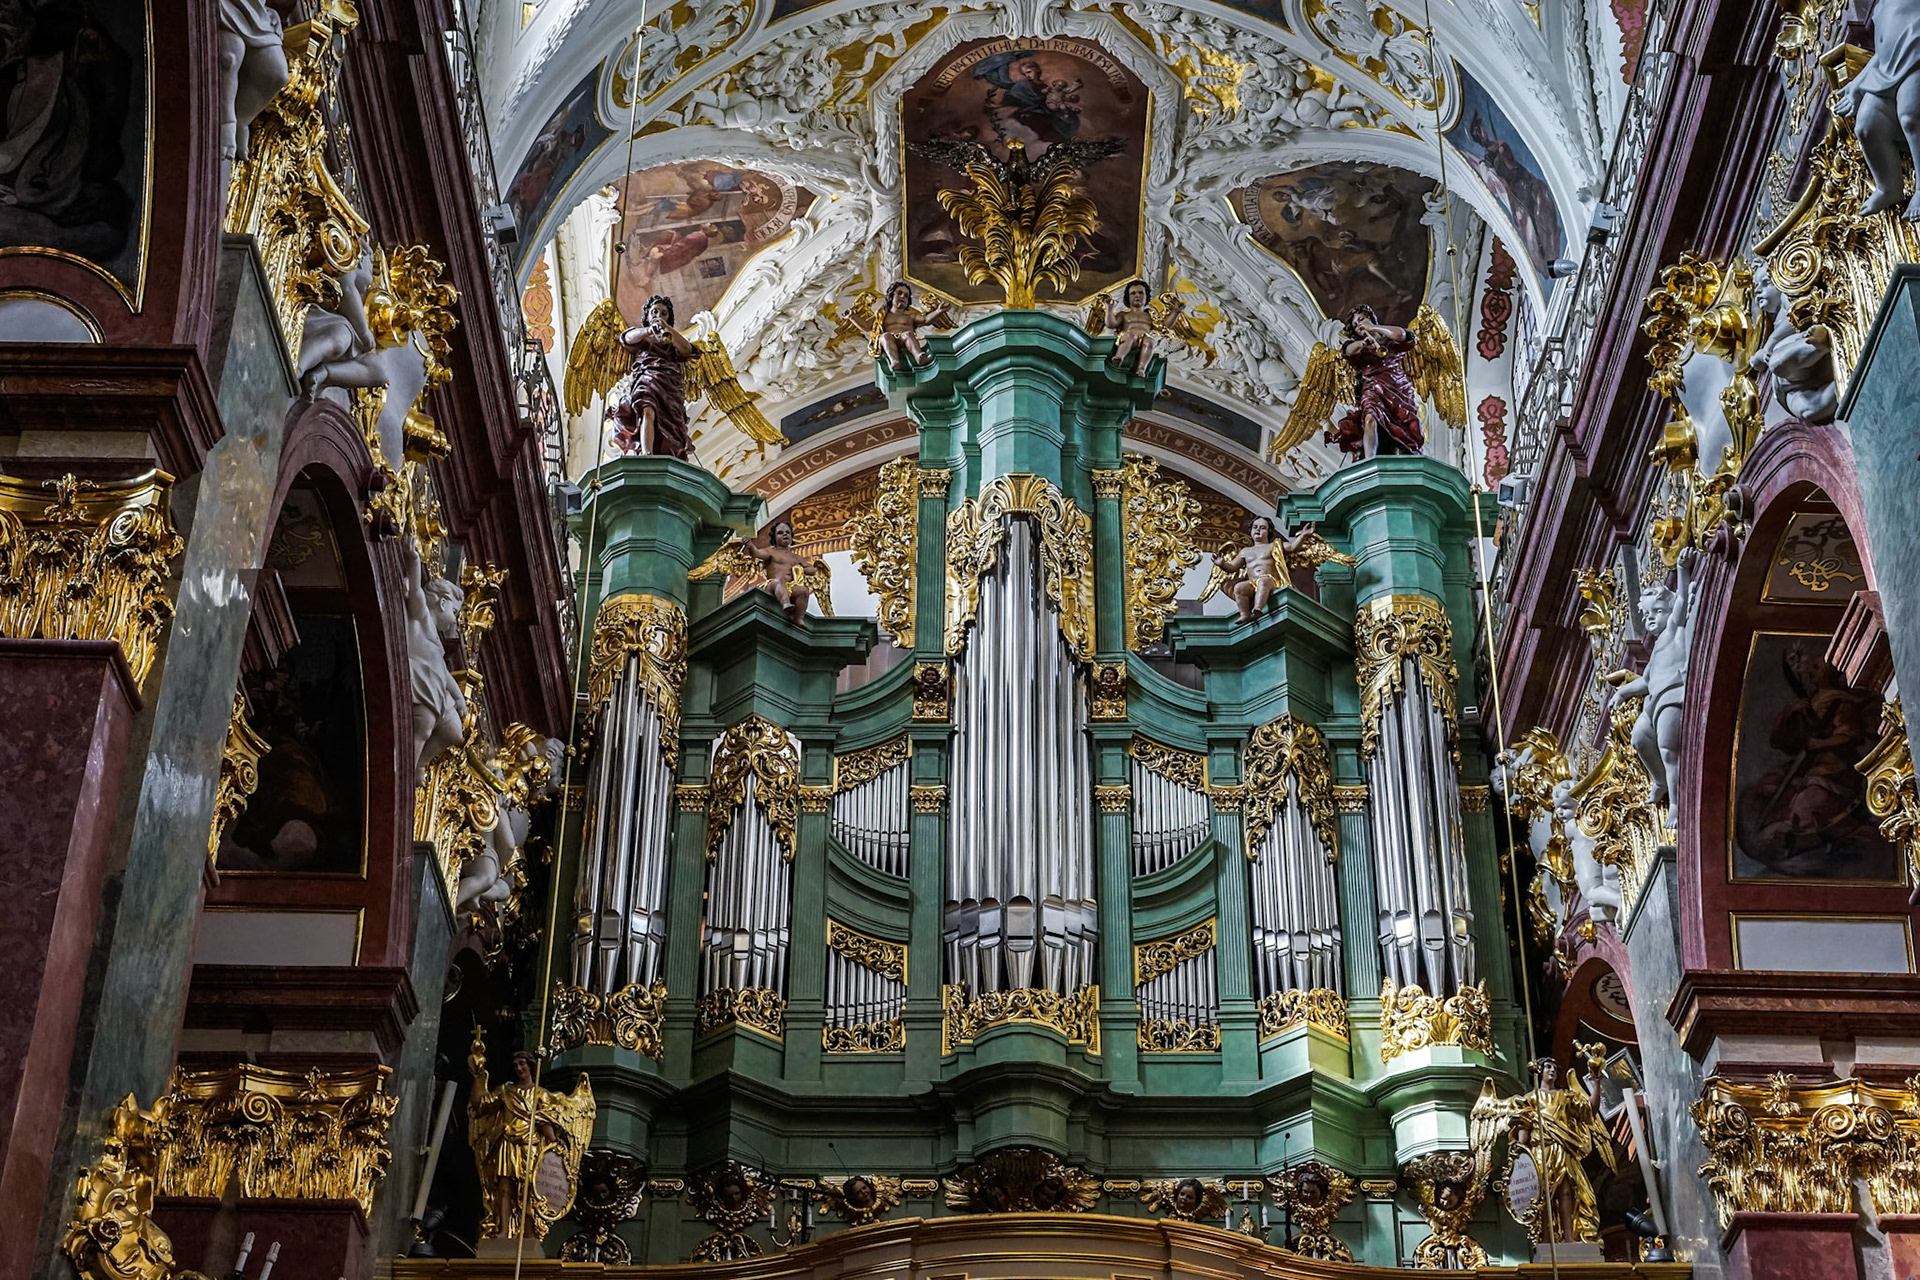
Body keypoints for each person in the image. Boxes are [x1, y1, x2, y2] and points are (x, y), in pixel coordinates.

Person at [1326, 305, 1423, 458]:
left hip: (1398, 387)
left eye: (1361, 320)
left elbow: (1401, 334)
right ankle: (1370, 460)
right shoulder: (1359, 349)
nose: (1359, 325)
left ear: (1370, 318)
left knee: (1405, 425)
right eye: (1355, 325)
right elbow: (1347, 351)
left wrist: (1372, 327)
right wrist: (1363, 344)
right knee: (1370, 419)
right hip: (1372, 389)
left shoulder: (1390, 341)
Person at [613, 294, 694, 458]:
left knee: (671, 420)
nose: (659, 315)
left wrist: (668, 329)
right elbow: (627, 338)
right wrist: (649, 330)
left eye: (664, 313)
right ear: (647, 316)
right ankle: (646, 454)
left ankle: (669, 452)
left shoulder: (671, 340)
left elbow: (687, 349)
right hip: (647, 377)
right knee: (647, 409)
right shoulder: (642, 336)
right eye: (654, 312)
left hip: (669, 382)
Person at [1211, 516, 1336, 623]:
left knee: (1263, 582)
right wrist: (1222, 564)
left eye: (1262, 528)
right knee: (1239, 587)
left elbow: (1292, 547)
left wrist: (1303, 535)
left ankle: (1258, 608)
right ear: (1250, 531)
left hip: (1271, 581)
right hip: (1252, 582)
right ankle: (1244, 614)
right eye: (1255, 527)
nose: (1258, 530)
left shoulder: (1274, 546)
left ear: (1269, 532)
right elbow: (1232, 567)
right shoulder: (1245, 551)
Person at [746, 520, 827, 627]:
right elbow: (757, 553)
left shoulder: (796, 557)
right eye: (780, 533)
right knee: (778, 581)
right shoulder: (770, 552)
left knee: (803, 591)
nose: (785, 534)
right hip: (772, 585)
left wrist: (800, 569)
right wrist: (750, 545)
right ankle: (785, 603)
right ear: (774, 537)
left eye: (787, 532)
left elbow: (812, 570)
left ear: (791, 537)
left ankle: (798, 618)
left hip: (789, 587)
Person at [874, 280, 951, 369]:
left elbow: (926, 320)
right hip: (890, 339)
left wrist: (938, 311)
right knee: (885, 336)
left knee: (908, 334)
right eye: (899, 293)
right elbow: (866, 325)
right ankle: (894, 360)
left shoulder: (910, 317)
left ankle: (918, 355)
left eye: (906, 296)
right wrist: (857, 317)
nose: (903, 296)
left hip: (904, 340)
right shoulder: (882, 316)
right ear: (891, 296)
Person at [1105, 279, 1160, 375]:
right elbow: (1111, 324)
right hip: (1129, 338)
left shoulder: (1150, 315)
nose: (1137, 295)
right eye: (1133, 293)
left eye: (1140, 293)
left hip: (1144, 339)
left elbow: (1165, 325)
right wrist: (1109, 308)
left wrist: (1176, 312)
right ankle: (1119, 358)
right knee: (1130, 336)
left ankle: (1142, 368)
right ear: (1128, 297)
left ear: (1146, 296)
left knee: (1150, 341)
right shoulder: (1124, 315)